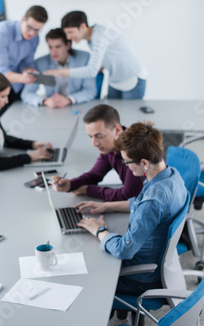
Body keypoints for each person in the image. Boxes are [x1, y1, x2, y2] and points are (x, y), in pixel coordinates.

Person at [75, 121, 188, 296]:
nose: (125, 166)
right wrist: (105, 206)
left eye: (127, 162)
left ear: (143, 163)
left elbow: (124, 250)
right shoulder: (170, 175)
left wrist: (99, 230)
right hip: (158, 261)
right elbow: (138, 203)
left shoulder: (153, 201)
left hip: (141, 277)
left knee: (85, 274)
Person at [44, 11, 147, 99]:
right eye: (66, 33)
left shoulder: (99, 36)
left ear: (83, 27)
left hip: (132, 78)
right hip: (114, 80)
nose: (68, 37)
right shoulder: (91, 39)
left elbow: (92, 71)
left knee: (130, 116)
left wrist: (60, 72)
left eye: (70, 32)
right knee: (113, 115)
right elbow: (109, 55)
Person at [53, 104, 144, 201]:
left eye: (99, 136)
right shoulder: (110, 147)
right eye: (91, 136)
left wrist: (88, 190)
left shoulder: (134, 151)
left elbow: (129, 195)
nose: (94, 143)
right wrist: (70, 184)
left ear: (117, 130)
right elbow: (95, 174)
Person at [0, 5, 48, 112]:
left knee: (15, 118)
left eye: (37, 30)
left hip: (15, 85)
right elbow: (1, 71)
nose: (32, 33)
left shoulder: (35, 39)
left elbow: (26, 62)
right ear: (22, 19)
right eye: (29, 27)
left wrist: (28, 70)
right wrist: (23, 78)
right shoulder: (1, 31)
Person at [21, 28, 97, 107]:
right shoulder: (41, 63)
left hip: (77, 105)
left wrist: (69, 100)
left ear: (68, 45)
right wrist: (45, 101)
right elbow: (26, 93)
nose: (53, 52)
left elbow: (90, 90)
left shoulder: (84, 58)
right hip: (53, 108)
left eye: (58, 47)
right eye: (50, 47)